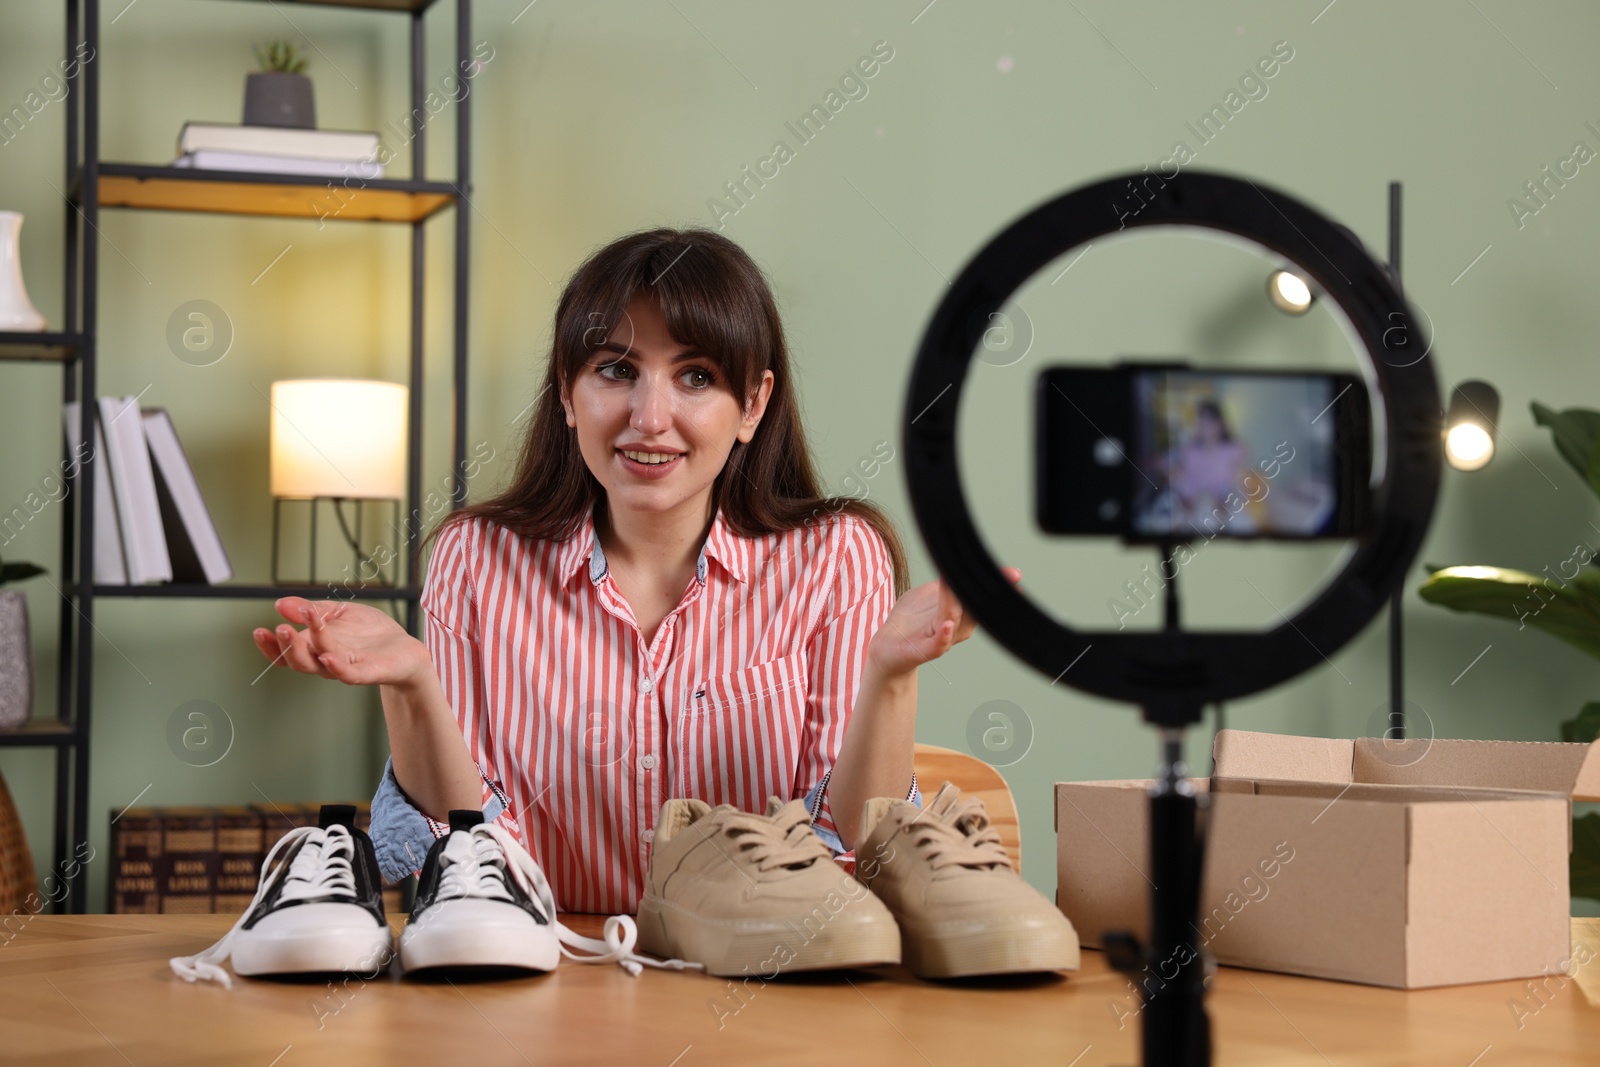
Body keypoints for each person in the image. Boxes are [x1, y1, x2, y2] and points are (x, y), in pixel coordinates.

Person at [251, 227, 1021, 914]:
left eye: (696, 377)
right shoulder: (474, 558)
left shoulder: (836, 556)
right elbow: (468, 862)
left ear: (753, 404)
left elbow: (847, 855)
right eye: (617, 369)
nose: (650, 417)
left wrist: (889, 673)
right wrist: (411, 683)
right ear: (566, 391)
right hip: (538, 985)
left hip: (766, 990)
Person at [1168, 399, 1252, 533]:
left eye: (1210, 421)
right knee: (1204, 507)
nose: (1205, 426)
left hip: (1227, 499)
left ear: (1220, 423)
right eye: (1200, 421)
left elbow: (1239, 479)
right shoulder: (1190, 451)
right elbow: (1187, 483)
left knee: (1238, 515)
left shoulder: (1234, 448)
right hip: (1201, 500)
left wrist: (1224, 502)